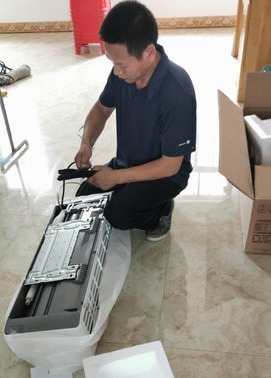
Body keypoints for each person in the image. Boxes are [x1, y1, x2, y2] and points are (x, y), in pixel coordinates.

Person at [73, 0, 196, 241]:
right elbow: (101, 109)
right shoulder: (123, 74)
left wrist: (115, 178)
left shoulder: (177, 92)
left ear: (149, 52)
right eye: (112, 63)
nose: (116, 72)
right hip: (127, 162)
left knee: (118, 215)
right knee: (84, 197)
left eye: (121, 64)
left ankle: (161, 211)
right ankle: (129, 192)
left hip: (166, 174)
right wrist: (86, 143)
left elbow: (170, 165)